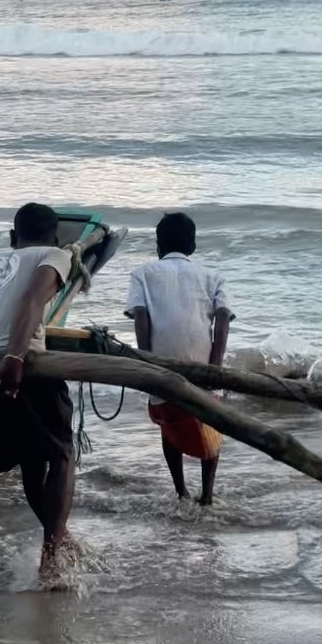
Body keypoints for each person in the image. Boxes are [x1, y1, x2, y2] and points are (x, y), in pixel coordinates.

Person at [0, 203, 75, 578]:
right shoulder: (56, 255)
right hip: (26, 370)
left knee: (31, 460)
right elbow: (33, 301)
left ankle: (59, 541)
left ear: (11, 238)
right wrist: (14, 357)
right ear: (54, 238)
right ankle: (53, 558)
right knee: (62, 456)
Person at [125, 212, 233, 506]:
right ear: (193, 245)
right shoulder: (212, 277)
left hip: (161, 367)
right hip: (203, 369)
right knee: (210, 425)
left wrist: (147, 360)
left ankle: (181, 491)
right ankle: (207, 494)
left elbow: (141, 317)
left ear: (158, 246)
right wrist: (215, 367)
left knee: (168, 425)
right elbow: (222, 320)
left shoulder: (143, 273)